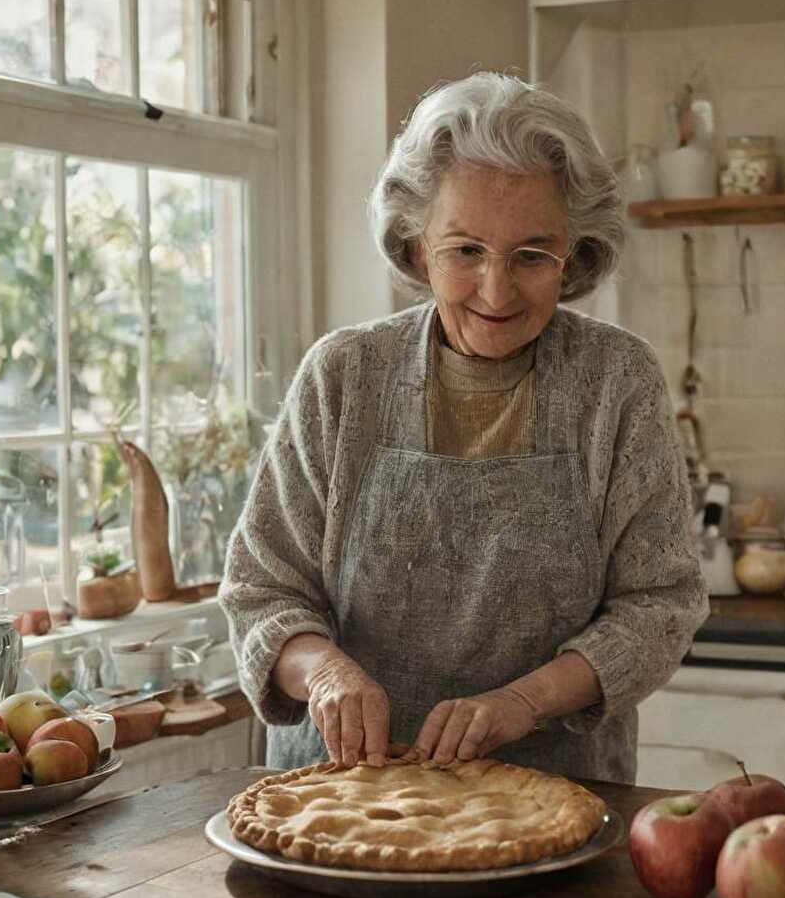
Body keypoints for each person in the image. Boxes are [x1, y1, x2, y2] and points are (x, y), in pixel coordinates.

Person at [219, 72, 708, 783]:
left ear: (575, 253)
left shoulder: (615, 381)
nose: (496, 290)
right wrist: (323, 671)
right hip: (343, 795)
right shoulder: (344, 376)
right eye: (466, 251)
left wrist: (525, 701)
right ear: (418, 248)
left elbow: (659, 606)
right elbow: (263, 588)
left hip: (554, 795)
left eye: (532, 255)